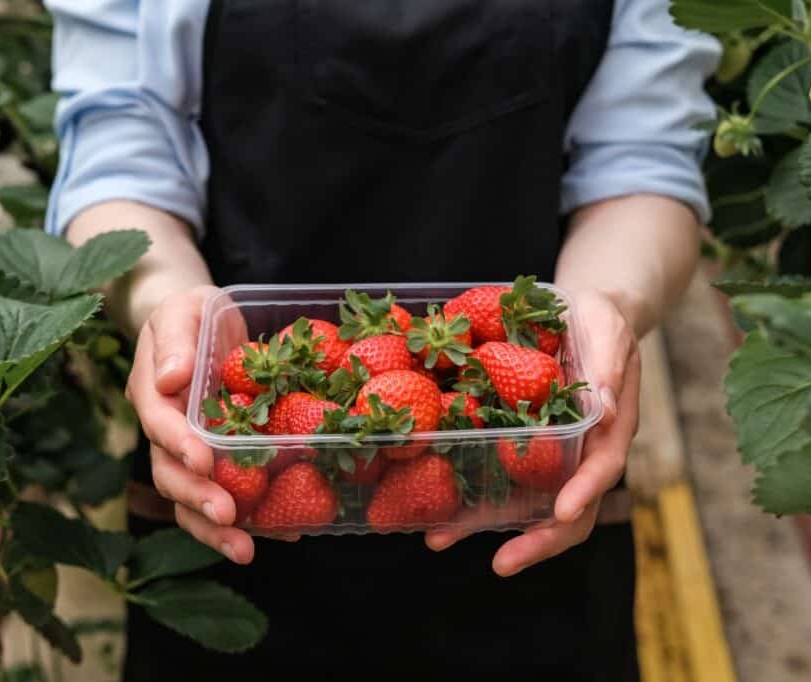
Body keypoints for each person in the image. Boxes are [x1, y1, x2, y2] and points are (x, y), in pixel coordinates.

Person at [45, 1, 719, 679]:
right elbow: (119, 153)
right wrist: (171, 318)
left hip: (529, 471)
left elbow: (643, 162)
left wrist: (600, 310)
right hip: (235, 464)